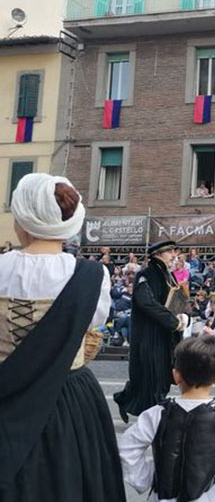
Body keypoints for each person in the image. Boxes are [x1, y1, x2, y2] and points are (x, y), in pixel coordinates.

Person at [0, 174, 125, 501]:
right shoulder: (93, 276)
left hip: (5, 395)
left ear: (22, 219)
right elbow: (93, 325)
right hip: (68, 397)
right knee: (70, 479)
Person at [119, 336, 215, 502]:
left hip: (163, 497)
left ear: (176, 375)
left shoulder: (156, 413)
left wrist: (146, 477)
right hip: (213, 496)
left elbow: (128, 447)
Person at [114, 240, 188, 424]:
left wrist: (182, 316)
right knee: (152, 375)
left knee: (161, 374)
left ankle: (129, 400)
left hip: (164, 334)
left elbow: (174, 301)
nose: (174, 255)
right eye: (170, 252)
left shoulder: (168, 276)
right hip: (149, 335)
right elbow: (146, 303)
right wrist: (173, 322)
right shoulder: (145, 274)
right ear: (158, 254)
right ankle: (156, 418)